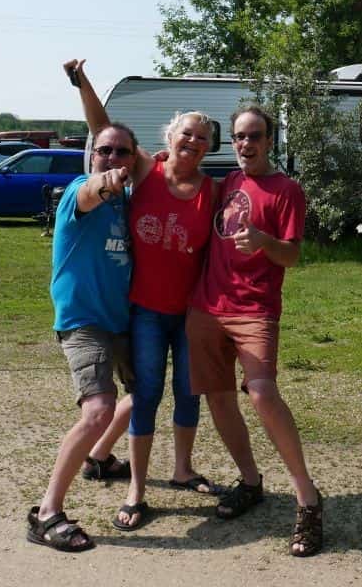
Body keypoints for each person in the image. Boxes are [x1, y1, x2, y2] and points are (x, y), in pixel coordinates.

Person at [64, 60, 219, 534]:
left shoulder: (213, 189)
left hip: (189, 311)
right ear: (169, 138)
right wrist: (83, 84)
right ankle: (136, 489)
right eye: (185, 134)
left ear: (210, 147)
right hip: (147, 311)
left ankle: (183, 469)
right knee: (146, 394)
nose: (192, 142)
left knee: (189, 393)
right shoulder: (147, 172)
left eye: (201, 137)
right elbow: (103, 132)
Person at [187, 104, 325, 557]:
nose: (246, 145)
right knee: (218, 397)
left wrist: (266, 243)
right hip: (208, 307)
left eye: (255, 137)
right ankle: (250, 481)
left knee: (262, 391)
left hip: (254, 310)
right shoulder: (227, 182)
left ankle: (307, 499)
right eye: (240, 137)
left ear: (270, 140)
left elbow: (292, 256)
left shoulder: (287, 190)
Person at [27, 122, 137, 552]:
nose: (112, 158)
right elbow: (92, 194)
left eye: (121, 152)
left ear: (133, 157)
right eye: (104, 151)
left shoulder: (128, 201)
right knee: (98, 409)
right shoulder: (79, 191)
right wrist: (104, 183)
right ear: (92, 155)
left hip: (120, 320)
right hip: (83, 320)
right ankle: (47, 513)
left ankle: (99, 458)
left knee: (144, 392)